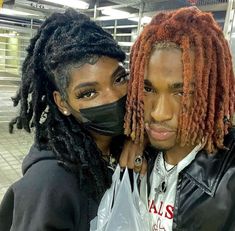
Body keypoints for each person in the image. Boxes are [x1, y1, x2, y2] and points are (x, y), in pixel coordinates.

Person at [0, 8, 136, 231]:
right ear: (62, 103)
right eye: (88, 93)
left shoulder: (119, 149)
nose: (113, 97)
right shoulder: (48, 185)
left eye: (120, 78)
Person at [124, 7, 235, 230]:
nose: (159, 113)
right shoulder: (131, 153)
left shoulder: (229, 177)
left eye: (182, 92)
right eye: (147, 88)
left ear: (212, 91)